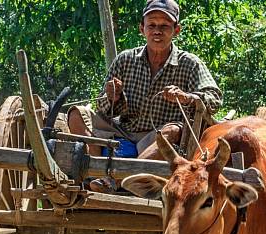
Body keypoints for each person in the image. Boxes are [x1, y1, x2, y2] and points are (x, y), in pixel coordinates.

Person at [68, 0, 222, 193]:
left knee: (174, 129)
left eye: (165, 26)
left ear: (177, 30)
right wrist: (112, 96)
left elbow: (214, 97)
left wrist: (187, 97)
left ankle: (118, 180)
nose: (157, 31)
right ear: (142, 29)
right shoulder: (125, 59)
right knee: (77, 114)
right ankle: (95, 176)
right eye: (152, 25)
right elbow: (102, 109)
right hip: (122, 130)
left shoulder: (189, 63)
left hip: (157, 136)